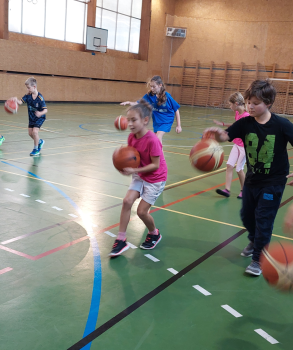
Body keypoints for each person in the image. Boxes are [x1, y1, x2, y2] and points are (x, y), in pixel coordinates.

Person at [203, 79, 293, 276]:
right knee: (246, 215)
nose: (250, 106)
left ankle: (258, 259)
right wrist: (216, 134)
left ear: (268, 103)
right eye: (249, 102)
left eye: (256, 103)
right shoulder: (244, 123)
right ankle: (255, 240)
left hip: (274, 183)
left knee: (264, 220)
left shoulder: (282, 125)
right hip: (253, 180)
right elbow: (226, 136)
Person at [109, 100, 168, 257]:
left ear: (145, 120)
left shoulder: (152, 140)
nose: (130, 123)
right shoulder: (131, 137)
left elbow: (155, 165)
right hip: (140, 174)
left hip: (155, 178)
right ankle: (121, 239)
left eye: (133, 120)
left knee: (142, 212)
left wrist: (134, 169)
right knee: (127, 201)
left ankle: (154, 233)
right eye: (128, 120)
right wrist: (123, 165)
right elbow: (133, 157)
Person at [121, 75, 182, 143]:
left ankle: (158, 153)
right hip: (157, 120)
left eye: (154, 86)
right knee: (156, 139)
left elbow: (176, 110)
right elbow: (138, 103)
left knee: (158, 137)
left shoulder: (167, 96)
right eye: (151, 86)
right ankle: (159, 153)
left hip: (166, 120)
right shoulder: (149, 96)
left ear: (160, 85)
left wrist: (178, 125)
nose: (152, 88)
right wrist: (129, 102)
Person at [213, 92, 250, 199]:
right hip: (237, 144)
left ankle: (244, 190)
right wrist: (223, 125)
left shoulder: (246, 116)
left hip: (244, 146)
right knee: (229, 165)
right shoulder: (238, 113)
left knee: (239, 169)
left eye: (231, 104)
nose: (230, 107)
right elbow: (236, 125)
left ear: (237, 103)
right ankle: (227, 190)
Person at [10, 77, 47, 156]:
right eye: (27, 88)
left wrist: (40, 113)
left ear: (34, 87)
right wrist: (15, 100)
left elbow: (45, 110)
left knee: (34, 132)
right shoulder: (27, 96)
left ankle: (36, 149)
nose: (27, 89)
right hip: (31, 118)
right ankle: (40, 142)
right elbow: (20, 102)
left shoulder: (40, 97)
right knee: (30, 133)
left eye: (29, 88)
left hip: (39, 117)